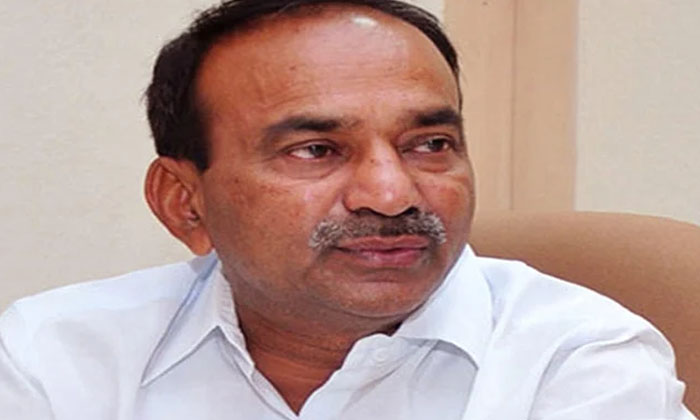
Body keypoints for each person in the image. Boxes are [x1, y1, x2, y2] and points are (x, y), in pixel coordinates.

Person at [0, 0, 695, 419]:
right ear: (185, 204)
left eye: (430, 144)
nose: (392, 194)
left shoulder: (578, 363)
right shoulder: (56, 357)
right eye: (316, 150)